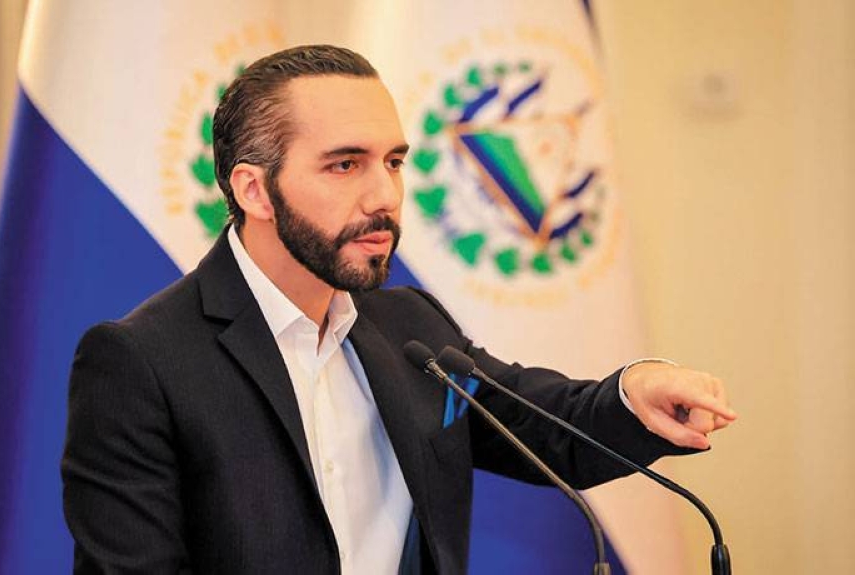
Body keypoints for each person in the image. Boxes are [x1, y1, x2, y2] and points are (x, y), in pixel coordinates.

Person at [61, 44, 735, 575]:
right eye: (345, 165)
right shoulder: (141, 362)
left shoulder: (410, 327)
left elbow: (547, 427)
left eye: (393, 161)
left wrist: (634, 394)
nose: (385, 195)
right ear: (255, 191)